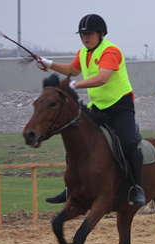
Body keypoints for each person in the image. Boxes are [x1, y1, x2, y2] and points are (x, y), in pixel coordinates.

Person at [37, 13, 146, 207]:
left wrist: (75, 86)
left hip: (120, 107)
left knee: (129, 142)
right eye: (82, 34)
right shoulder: (83, 53)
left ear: (101, 33)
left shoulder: (110, 51)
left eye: (90, 33)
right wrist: (49, 64)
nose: (85, 37)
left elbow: (102, 77)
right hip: (97, 107)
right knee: (75, 137)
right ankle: (70, 187)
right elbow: (72, 69)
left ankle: (138, 187)